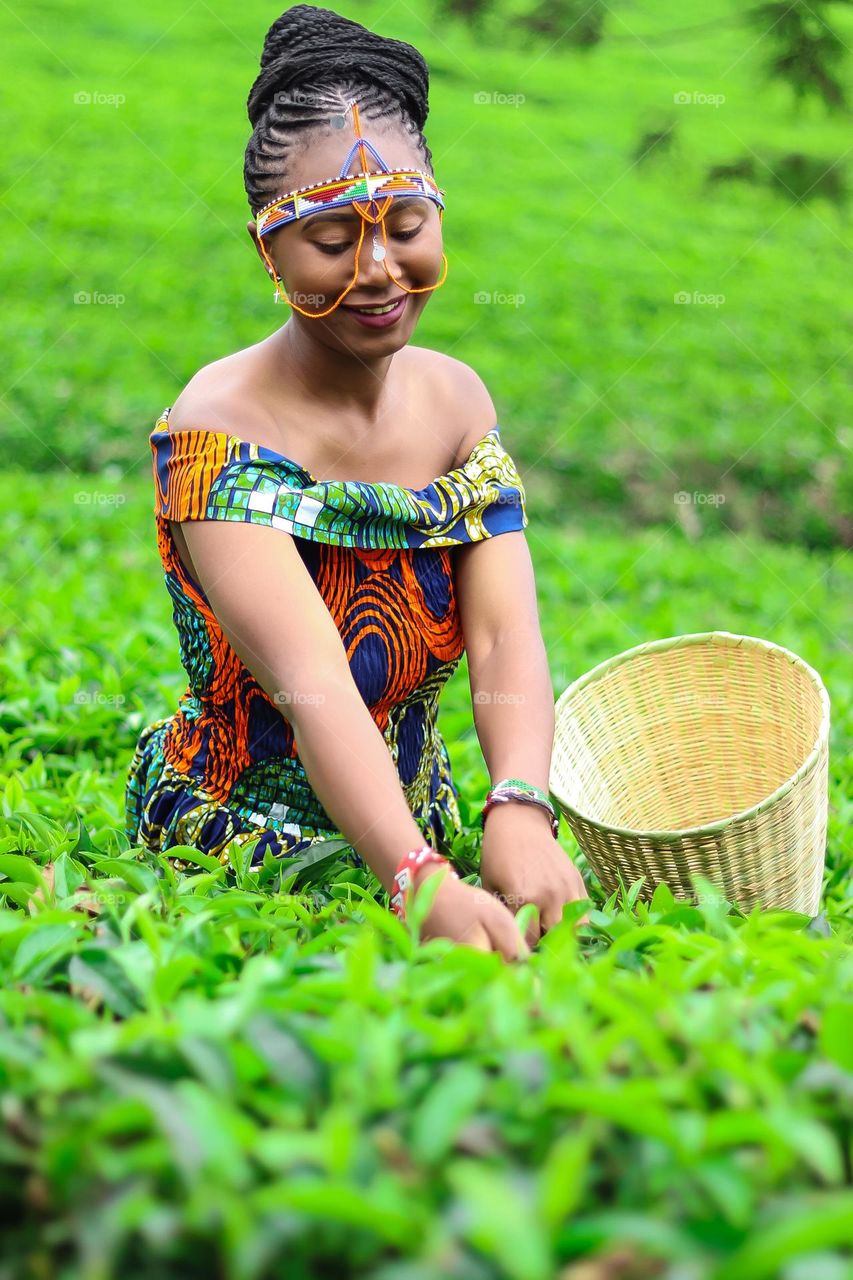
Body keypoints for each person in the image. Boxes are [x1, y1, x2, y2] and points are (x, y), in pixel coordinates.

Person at [125, 3, 589, 959]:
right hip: (243, 839)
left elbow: (505, 631)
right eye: (331, 243)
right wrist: (418, 879)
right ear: (268, 251)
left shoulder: (457, 401)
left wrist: (518, 805)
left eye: (405, 225)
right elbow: (311, 684)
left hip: (426, 820)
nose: (377, 271)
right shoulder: (221, 426)